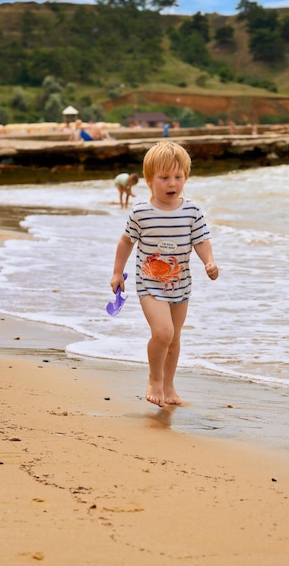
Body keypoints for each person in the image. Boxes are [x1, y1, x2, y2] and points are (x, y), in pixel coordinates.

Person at [110, 140, 219, 407]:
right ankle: (154, 380)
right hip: (149, 284)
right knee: (163, 332)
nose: (172, 184)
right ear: (149, 180)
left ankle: (169, 384)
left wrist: (209, 262)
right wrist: (117, 273)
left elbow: (201, 240)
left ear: (186, 177)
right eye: (165, 178)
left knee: (175, 337)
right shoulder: (141, 212)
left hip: (180, 285)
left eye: (178, 177)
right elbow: (126, 242)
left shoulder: (192, 210)